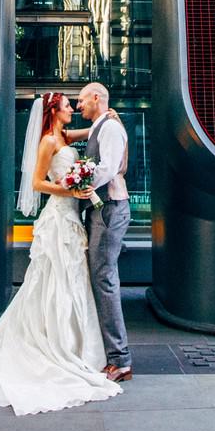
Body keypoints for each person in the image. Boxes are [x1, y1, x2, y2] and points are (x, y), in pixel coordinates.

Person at [0, 92, 121, 416]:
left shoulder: (64, 136)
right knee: (54, 280)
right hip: (59, 216)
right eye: (67, 106)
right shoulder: (47, 142)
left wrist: (107, 117)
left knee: (73, 279)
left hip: (72, 217)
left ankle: (76, 347)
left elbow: (89, 131)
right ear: (54, 111)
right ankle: (56, 344)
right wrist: (68, 188)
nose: (73, 109)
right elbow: (38, 183)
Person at [67, 81, 132, 383]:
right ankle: (112, 355)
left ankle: (120, 360)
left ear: (96, 97)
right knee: (101, 278)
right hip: (102, 209)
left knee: (104, 279)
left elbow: (107, 167)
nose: (78, 105)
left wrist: (79, 183)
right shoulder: (100, 126)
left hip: (109, 208)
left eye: (81, 100)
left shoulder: (110, 128)